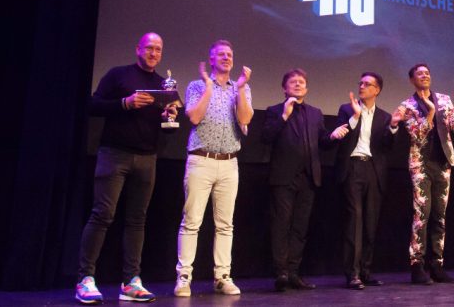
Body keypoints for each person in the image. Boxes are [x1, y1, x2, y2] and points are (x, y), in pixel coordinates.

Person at [76, 32, 178, 305]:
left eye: (158, 49)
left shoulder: (162, 85)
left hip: (147, 158)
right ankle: (85, 279)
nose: (153, 53)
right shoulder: (118, 75)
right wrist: (125, 103)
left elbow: (167, 130)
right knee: (102, 215)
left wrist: (168, 117)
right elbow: (92, 105)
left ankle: (131, 281)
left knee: (137, 220)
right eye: (149, 48)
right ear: (138, 49)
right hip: (114, 154)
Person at [174, 40, 253, 297]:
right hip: (201, 160)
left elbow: (245, 119)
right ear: (211, 59)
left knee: (225, 225)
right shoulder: (196, 86)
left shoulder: (241, 87)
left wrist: (241, 88)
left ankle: (222, 277)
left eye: (230, 54)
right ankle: (184, 277)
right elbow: (195, 117)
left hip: (229, 163)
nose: (227, 58)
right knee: (192, 222)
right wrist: (209, 86)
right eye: (221, 54)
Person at [262, 68, 345, 292]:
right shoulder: (274, 110)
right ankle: (281, 273)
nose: (298, 84)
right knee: (281, 225)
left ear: (306, 88)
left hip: (309, 178)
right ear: (284, 88)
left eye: (301, 82)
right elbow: (266, 137)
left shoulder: (315, 113)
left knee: (300, 227)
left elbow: (322, 142)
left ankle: (293, 273)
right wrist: (284, 116)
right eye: (293, 82)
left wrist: (333, 136)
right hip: (283, 177)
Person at [392, 63, 454, 284]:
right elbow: (417, 136)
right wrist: (431, 113)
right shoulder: (407, 106)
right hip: (421, 164)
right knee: (422, 214)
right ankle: (417, 266)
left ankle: (437, 265)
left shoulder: (444, 99)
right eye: (420, 74)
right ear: (412, 80)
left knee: (439, 215)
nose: (425, 76)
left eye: (427, 73)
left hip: (443, 163)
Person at [330, 72, 396, 290]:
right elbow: (341, 137)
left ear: (377, 90)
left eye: (367, 84)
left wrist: (394, 127)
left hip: (374, 170)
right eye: (360, 83)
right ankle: (353, 273)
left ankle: (366, 271)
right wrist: (355, 117)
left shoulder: (385, 117)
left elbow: (387, 146)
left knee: (370, 222)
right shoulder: (346, 109)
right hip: (353, 167)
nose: (362, 86)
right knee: (355, 220)